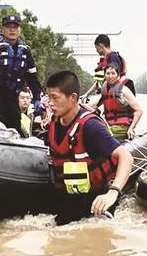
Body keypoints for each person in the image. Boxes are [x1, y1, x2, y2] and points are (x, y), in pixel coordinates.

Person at [45, 70, 134, 225]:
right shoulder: (53, 122)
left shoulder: (91, 127)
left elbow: (126, 157)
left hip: (97, 199)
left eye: (55, 98)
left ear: (73, 98)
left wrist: (113, 192)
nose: (50, 103)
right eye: (48, 97)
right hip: (70, 197)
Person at [96, 64, 142, 140]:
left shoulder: (123, 90)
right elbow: (93, 105)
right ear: (104, 75)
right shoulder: (104, 89)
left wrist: (131, 128)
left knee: (101, 137)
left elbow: (139, 111)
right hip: (108, 126)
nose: (110, 76)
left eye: (113, 73)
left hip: (122, 128)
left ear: (118, 76)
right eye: (108, 73)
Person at [82, 34, 127, 99]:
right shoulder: (109, 58)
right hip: (109, 94)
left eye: (96, 48)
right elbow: (99, 82)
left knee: (90, 106)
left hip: (115, 95)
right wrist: (86, 95)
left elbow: (114, 79)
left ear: (100, 46)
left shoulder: (112, 57)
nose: (96, 50)